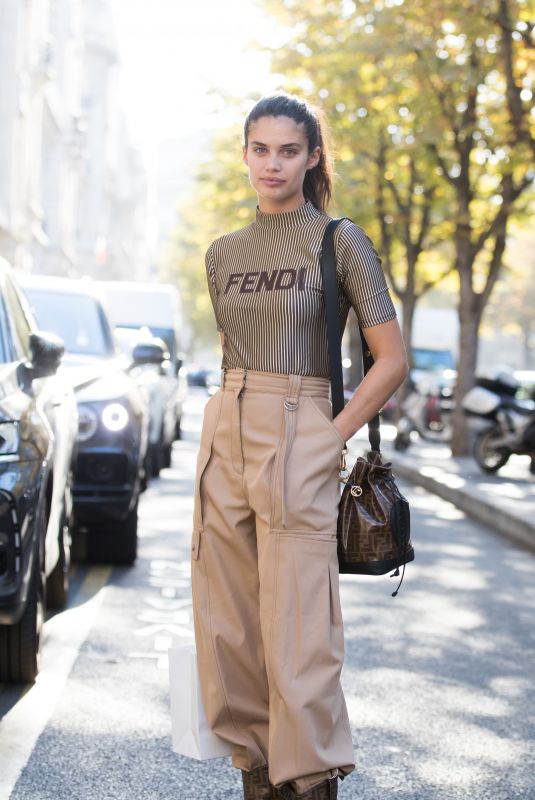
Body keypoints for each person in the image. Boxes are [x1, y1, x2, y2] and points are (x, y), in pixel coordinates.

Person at [191, 93, 408, 800]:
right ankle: (254, 773)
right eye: (260, 149)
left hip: (300, 426)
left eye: (288, 150)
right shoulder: (221, 254)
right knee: (226, 621)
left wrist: (328, 436)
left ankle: (308, 779)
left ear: (312, 155)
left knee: (297, 628)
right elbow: (233, 352)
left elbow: (390, 359)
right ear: (245, 154)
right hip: (227, 421)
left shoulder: (337, 240)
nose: (272, 164)